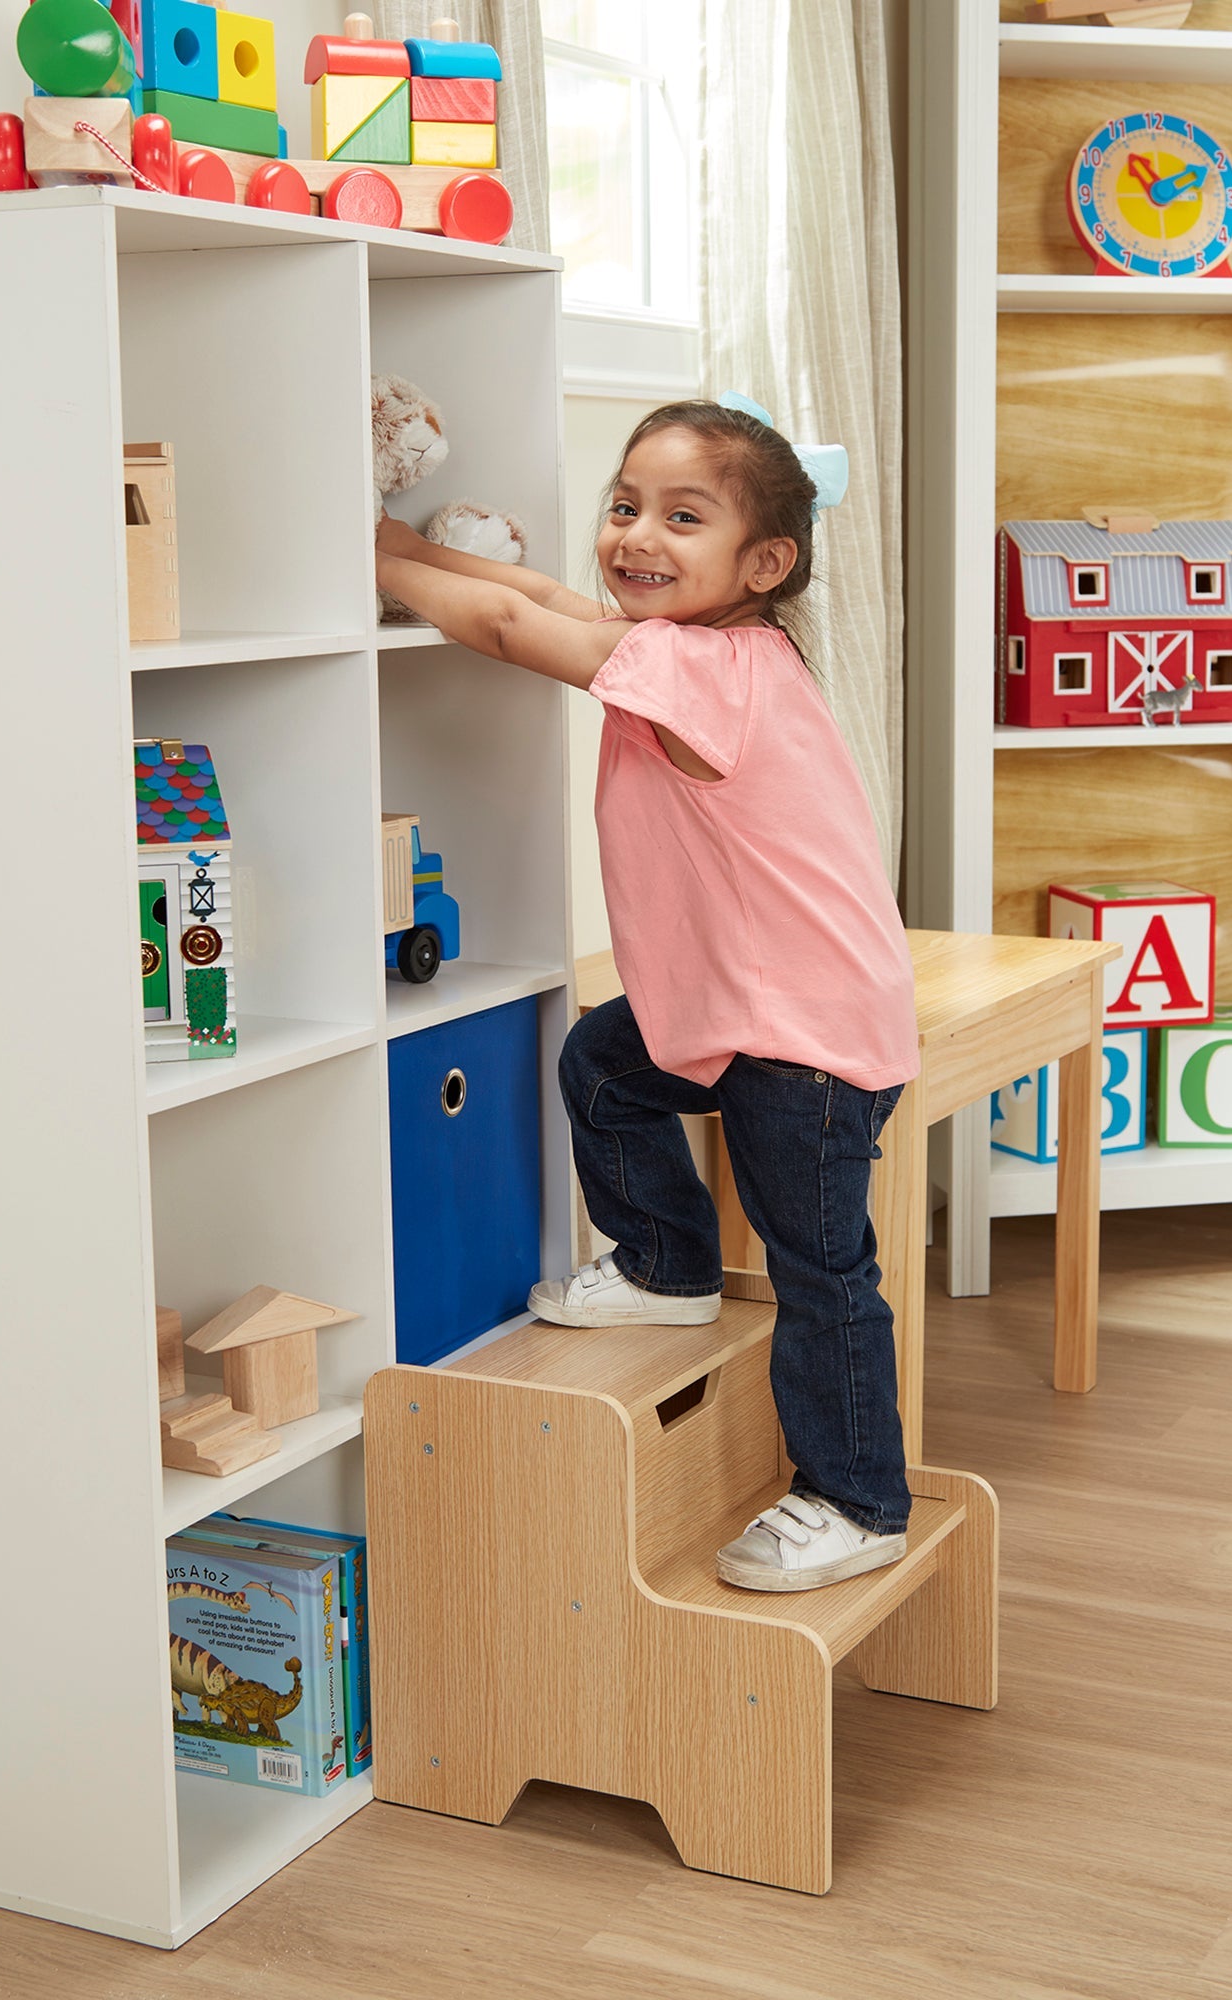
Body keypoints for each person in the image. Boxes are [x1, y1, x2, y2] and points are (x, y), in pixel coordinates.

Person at [375, 396, 918, 1592]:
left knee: (821, 1272)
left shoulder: (699, 670)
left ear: (762, 563)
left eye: (682, 517)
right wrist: (405, 548)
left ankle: (858, 1498)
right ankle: (666, 1264)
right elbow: (557, 604)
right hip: (735, 1006)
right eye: (623, 507)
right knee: (603, 1064)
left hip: (805, 1042)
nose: (633, 537)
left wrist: (373, 558)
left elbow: (521, 625)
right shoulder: (701, 648)